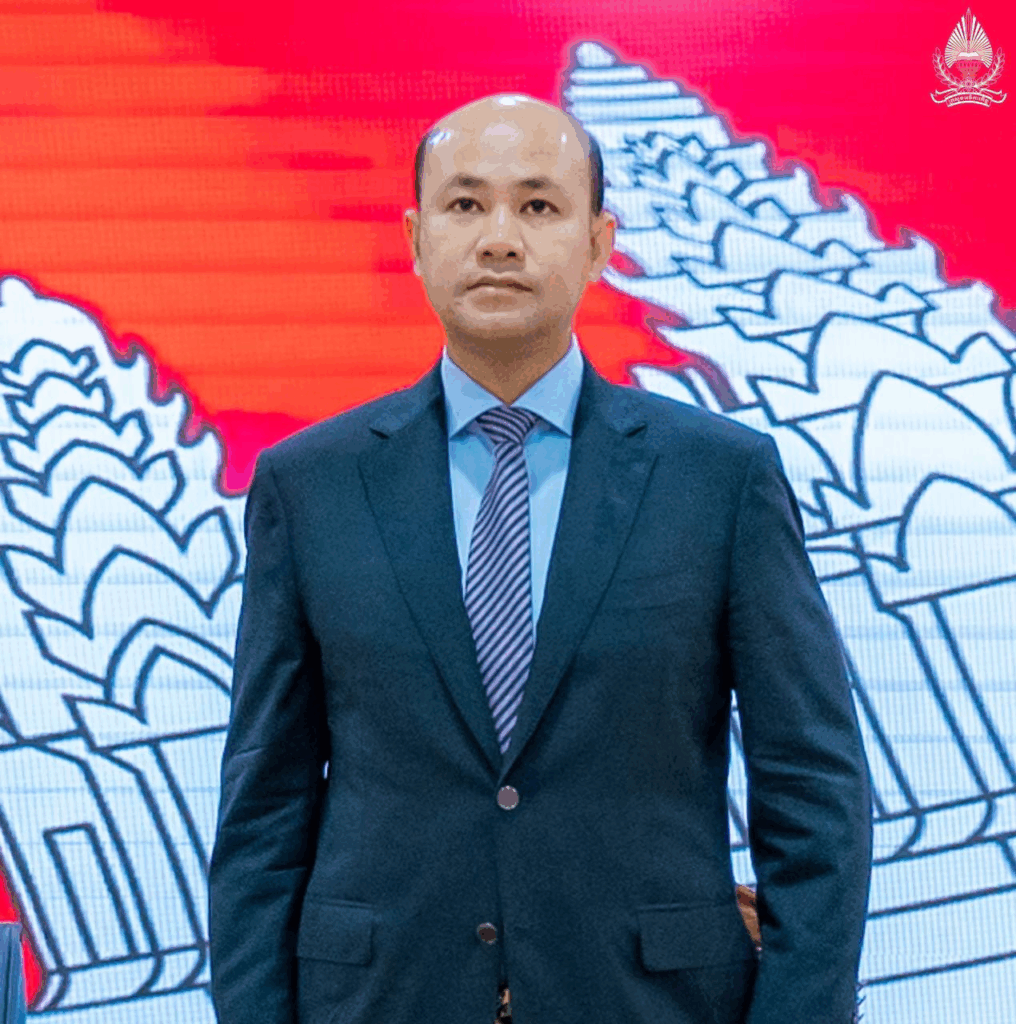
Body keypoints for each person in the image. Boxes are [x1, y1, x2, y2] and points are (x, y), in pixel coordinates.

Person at [208, 94, 873, 1024]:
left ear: (599, 243)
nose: (499, 239)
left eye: (538, 205)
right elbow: (264, 803)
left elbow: (813, 789)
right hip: (380, 998)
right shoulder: (309, 485)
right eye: (465, 204)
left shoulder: (721, 479)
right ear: (416, 238)